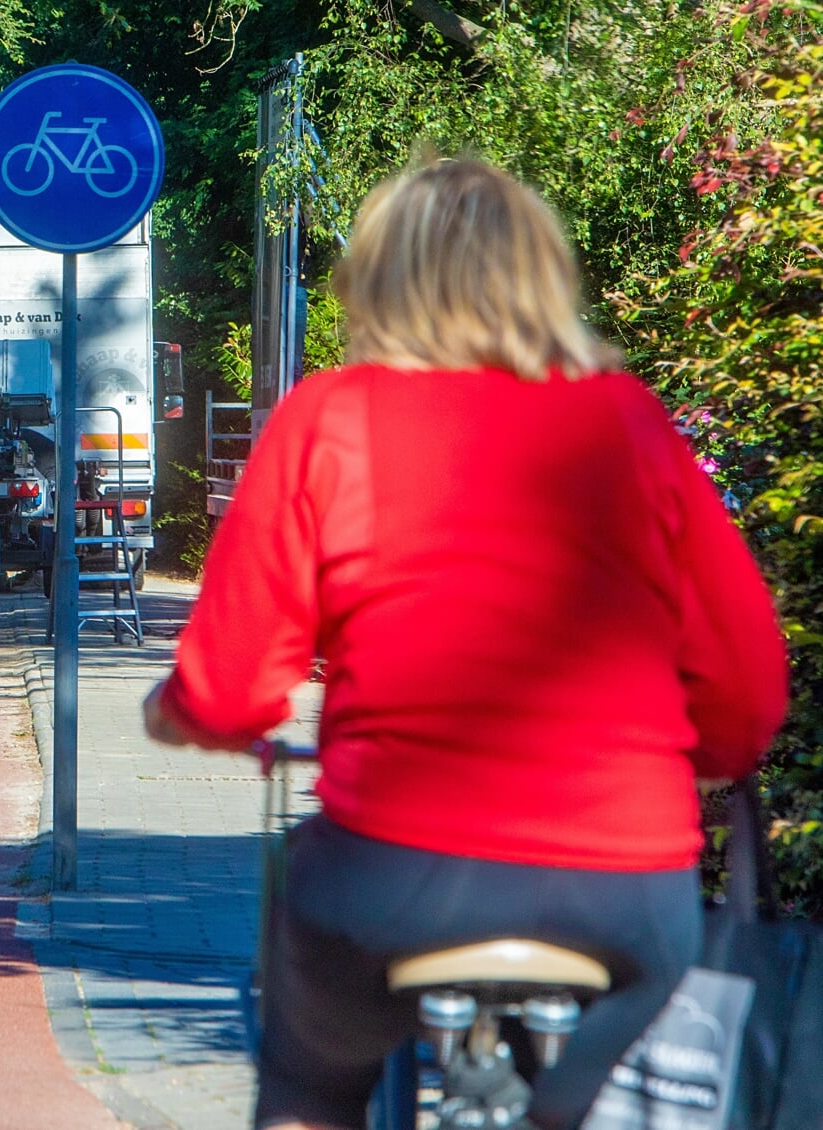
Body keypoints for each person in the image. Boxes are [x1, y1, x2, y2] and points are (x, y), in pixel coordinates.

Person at [142, 159, 788, 1130]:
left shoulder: (331, 416)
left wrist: (180, 713)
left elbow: (232, 684)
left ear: (378, 281)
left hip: (387, 876)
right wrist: (695, 757)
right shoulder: (627, 421)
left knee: (309, 1079)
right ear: (542, 275)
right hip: (626, 895)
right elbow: (744, 689)